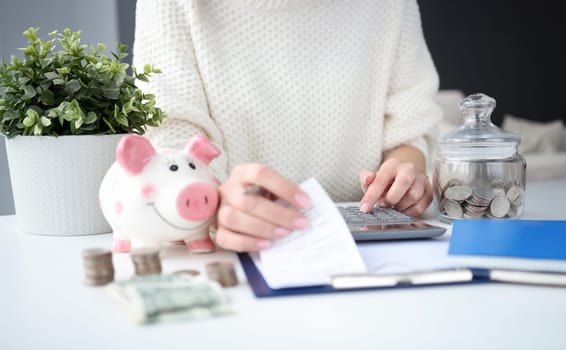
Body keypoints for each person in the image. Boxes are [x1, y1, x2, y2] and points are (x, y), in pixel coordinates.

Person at [133, 0, 443, 252]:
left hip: (374, 245)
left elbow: (410, 125)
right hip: (226, 248)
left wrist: (403, 176)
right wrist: (214, 202)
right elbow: (170, 129)